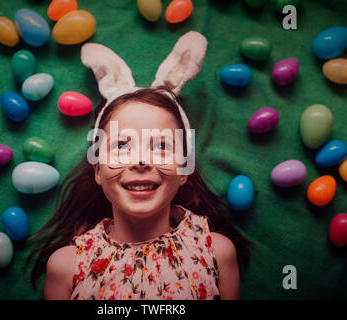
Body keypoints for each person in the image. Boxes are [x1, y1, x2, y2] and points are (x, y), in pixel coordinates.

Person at [26, 31, 253, 300]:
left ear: (184, 169)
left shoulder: (218, 254)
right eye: (121, 146)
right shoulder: (66, 267)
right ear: (97, 170)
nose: (141, 161)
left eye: (161, 146)